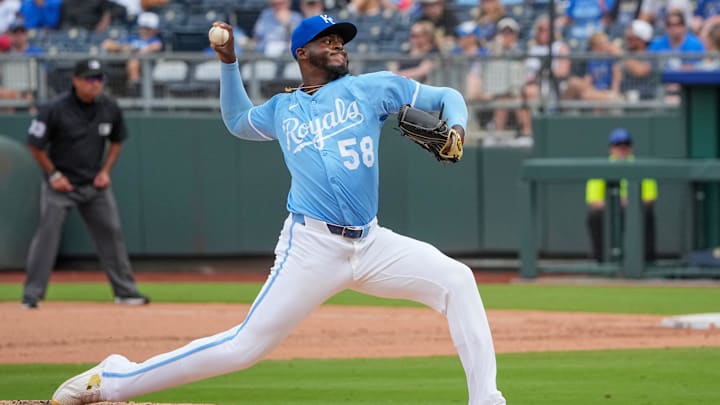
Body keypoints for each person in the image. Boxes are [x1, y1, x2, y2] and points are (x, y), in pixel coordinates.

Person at [50, 15, 506, 405]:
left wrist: (458, 129)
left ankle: (487, 400)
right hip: (311, 247)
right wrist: (229, 65)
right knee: (242, 348)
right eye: (328, 41)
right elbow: (236, 121)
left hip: (371, 242)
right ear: (302, 52)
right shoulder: (282, 109)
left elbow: (448, 97)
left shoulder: (372, 88)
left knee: (458, 280)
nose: (338, 46)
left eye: (341, 41)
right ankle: (114, 378)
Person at [21, 59, 150, 310]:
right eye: (90, 79)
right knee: (47, 237)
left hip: (94, 184)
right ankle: (31, 295)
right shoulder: (54, 108)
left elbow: (117, 140)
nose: (95, 84)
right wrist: (54, 175)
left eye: (99, 79)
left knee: (111, 234)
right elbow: (34, 145)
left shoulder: (109, 107)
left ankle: (125, 291)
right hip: (61, 184)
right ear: (76, 80)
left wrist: (105, 171)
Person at [586, 128, 657, 263]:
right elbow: (594, 201)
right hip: (609, 211)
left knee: (647, 213)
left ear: (631, 148)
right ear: (611, 148)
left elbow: (650, 198)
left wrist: (631, 203)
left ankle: (647, 261)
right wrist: (615, 204)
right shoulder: (601, 167)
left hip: (635, 210)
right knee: (594, 216)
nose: (622, 150)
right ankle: (601, 261)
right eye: (618, 146)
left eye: (625, 146)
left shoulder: (641, 166)